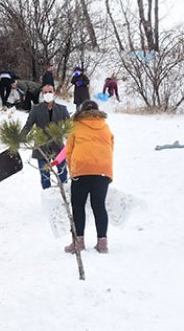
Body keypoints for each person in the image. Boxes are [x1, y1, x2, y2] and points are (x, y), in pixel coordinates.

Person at [64, 100, 114, 254]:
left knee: (78, 206)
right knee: (99, 205)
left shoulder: (76, 126)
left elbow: (69, 151)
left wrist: (72, 169)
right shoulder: (105, 127)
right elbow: (111, 147)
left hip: (82, 169)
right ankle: (102, 243)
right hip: (103, 170)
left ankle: (78, 242)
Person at [20, 85, 71, 189]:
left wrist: (74, 140)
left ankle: (64, 196)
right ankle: (47, 198)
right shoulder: (36, 109)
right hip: (42, 147)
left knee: (63, 173)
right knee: (44, 176)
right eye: (45, 92)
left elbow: (69, 127)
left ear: (54, 93)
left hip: (58, 147)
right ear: (42, 94)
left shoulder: (62, 109)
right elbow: (28, 125)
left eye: (50, 91)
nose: (48, 94)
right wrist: (19, 138)